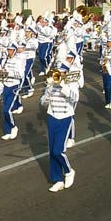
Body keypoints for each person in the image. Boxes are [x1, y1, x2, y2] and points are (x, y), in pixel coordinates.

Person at [40, 62, 78, 192]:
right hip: (52, 117)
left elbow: (75, 97)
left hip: (65, 118)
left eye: (62, 73)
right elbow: (43, 102)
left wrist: (61, 85)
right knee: (52, 151)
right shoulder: (51, 85)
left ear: (66, 74)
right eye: (58, 73)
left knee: (58, 151)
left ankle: (69, 171)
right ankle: (58, 180)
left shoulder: (71, 84)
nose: (59, 75)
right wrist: (47, 96)